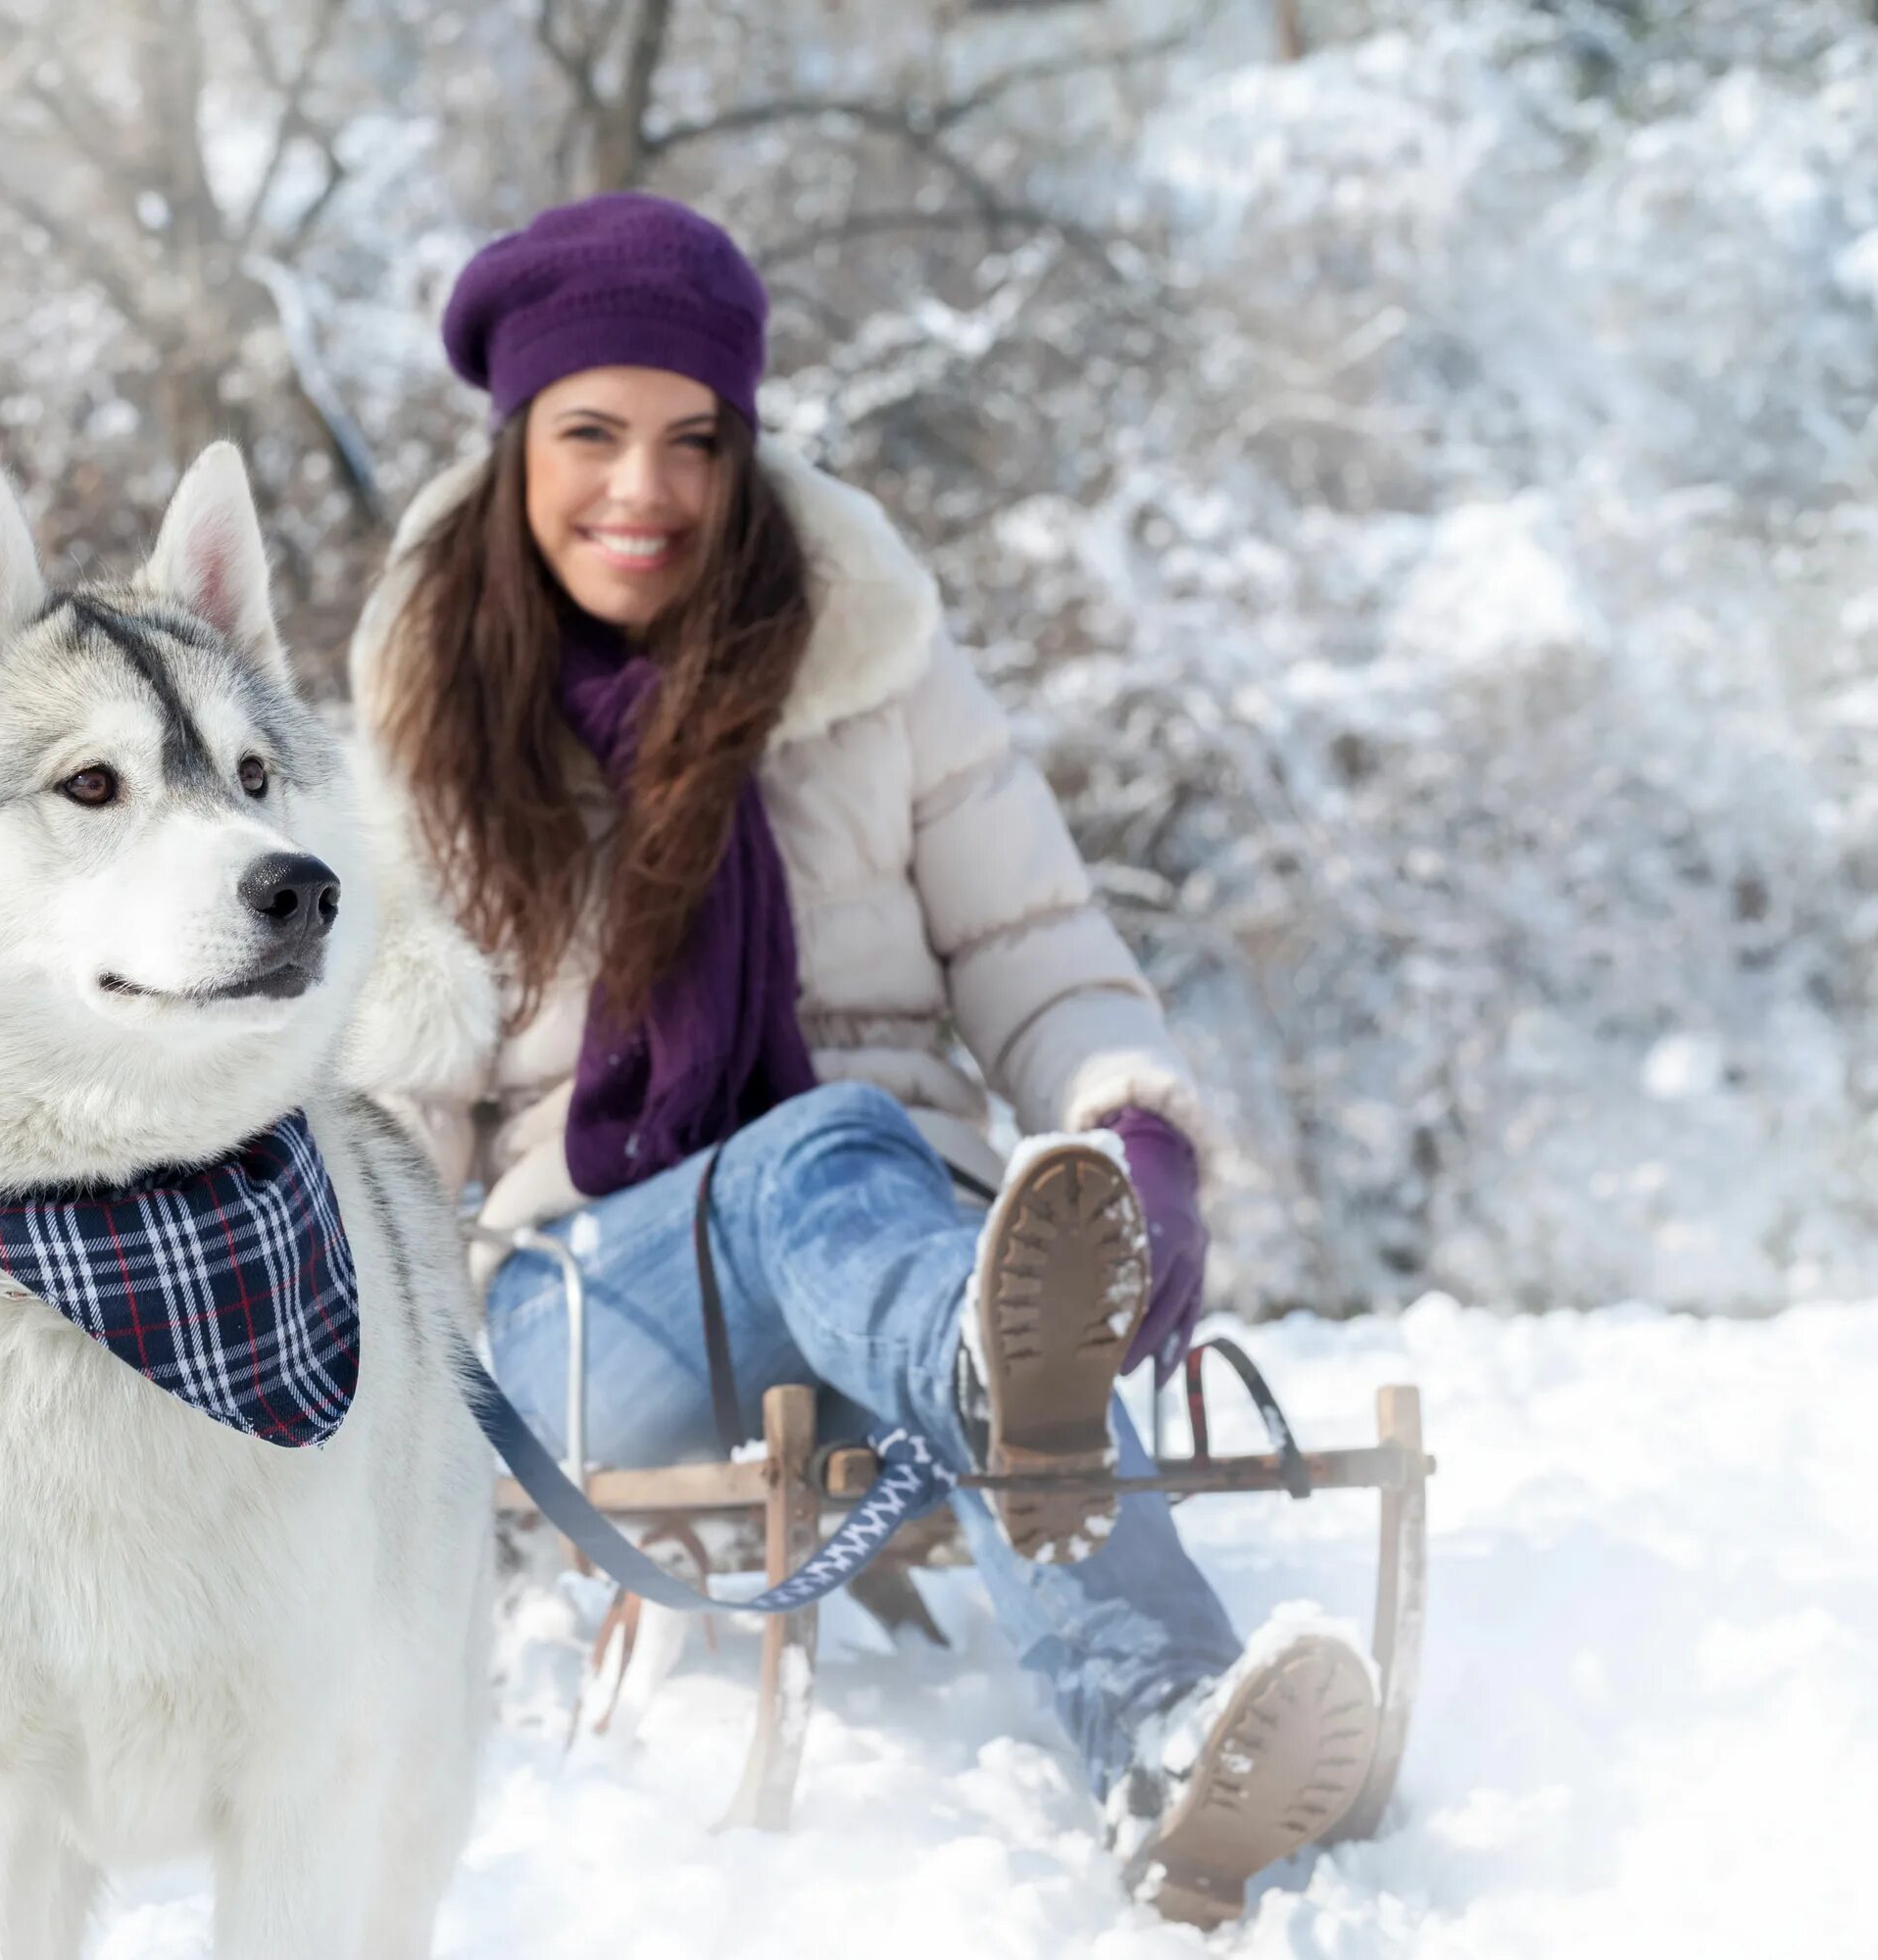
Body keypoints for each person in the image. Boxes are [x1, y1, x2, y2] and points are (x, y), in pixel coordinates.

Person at [344, 192, 1381, 1928]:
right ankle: (1002, 1384)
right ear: (519, 444)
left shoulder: (879, 672)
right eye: (592, 435)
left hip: (893, 1272)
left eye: (694, 440)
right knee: (839, 1162)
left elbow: (1037, 952)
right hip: (590, 1321)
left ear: (747, 453)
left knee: (877, 1202)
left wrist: (1132, 1122)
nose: (644, 492)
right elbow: (380, 1129)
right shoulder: (434, 732)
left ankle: (1170, 1744)